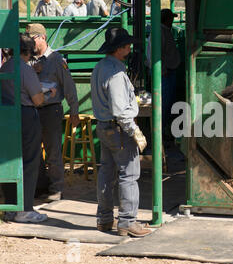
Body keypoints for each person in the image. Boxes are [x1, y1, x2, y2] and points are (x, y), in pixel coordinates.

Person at [91, 27, 150, 237]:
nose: (130, 48)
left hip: (104, 126)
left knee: (106, 173)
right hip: (119, 129)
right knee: (129, 175)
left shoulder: (100, 67)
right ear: (119, 49)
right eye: (127, 45)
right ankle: (127, 222)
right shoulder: (116, 73)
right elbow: (119, 108)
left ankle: (104, 219)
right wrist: (133, 130)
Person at [0, 34, 56, 223]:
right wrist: (48, 93)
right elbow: (38, 100)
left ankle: (10, 207)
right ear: (29, 51)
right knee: (30, 163)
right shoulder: (25, 69)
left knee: (8, 163)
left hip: (7, 117)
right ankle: (25, 209)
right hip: (26, 116)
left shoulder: (5, 67)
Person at [26, 23, 80, 202]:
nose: (30, 43)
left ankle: (56, 187)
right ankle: (40, 186)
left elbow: (69, 86)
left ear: (42, 37)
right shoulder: (30, 60)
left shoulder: (56, 60)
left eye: (32, 39)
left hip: (51, 110)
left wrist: (74, 111)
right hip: (33, 110)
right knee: (34, 151)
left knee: (52, 151)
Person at [146, 8, 181, 140]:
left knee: (166, 103)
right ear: (166, 19)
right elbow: (155, 53)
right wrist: (162, 70)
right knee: (164, 104)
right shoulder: (160, 32)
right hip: (164, 73)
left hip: (167, 72)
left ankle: (161, 132)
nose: (172, 21)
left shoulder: (163, 31)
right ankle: (158, 134)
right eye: (171, 18)